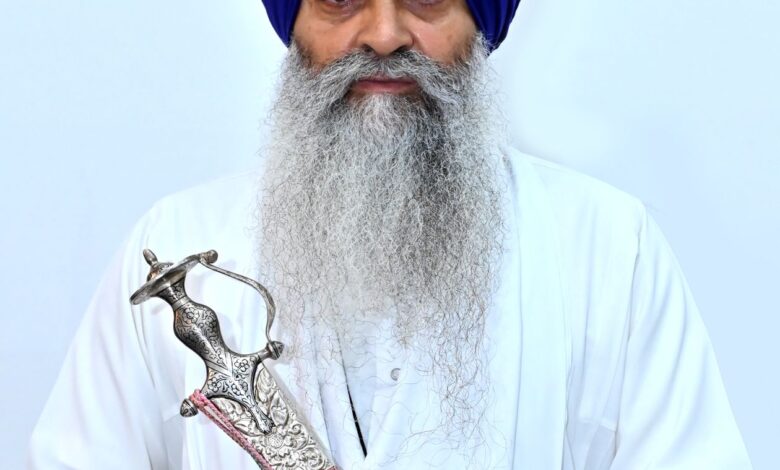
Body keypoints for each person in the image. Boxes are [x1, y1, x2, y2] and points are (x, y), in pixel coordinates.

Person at [28, 1, 752, 468]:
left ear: (480, 22)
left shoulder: (608, 246)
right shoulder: (182, 236)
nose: (382, 34)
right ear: (294, 24)